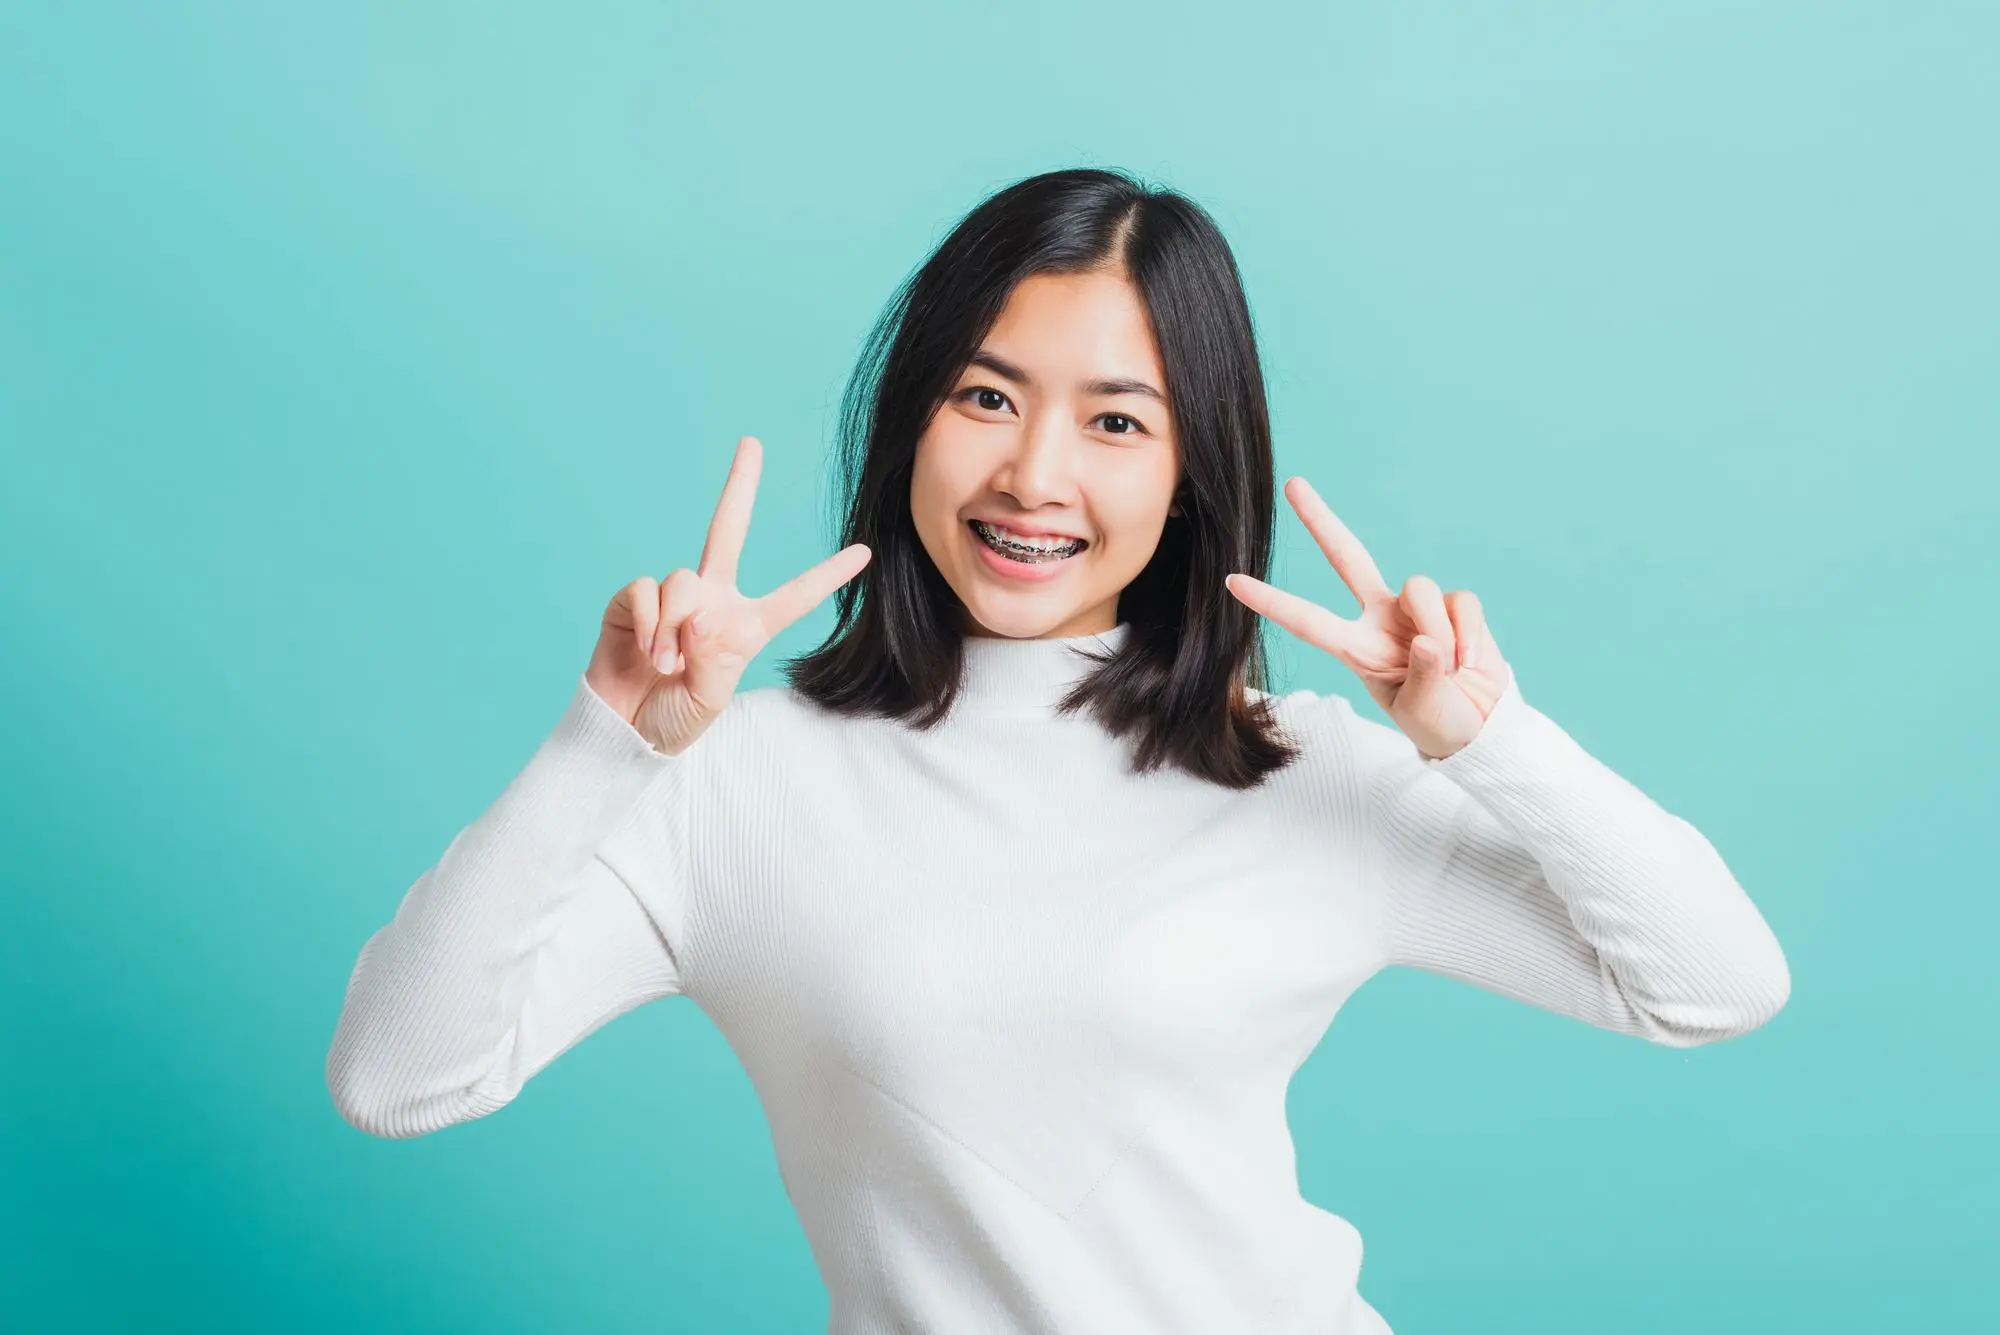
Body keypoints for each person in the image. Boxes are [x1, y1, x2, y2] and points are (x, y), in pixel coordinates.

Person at [326, 167, 1790, 1334]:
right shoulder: (736, 780)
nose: (1034, 473)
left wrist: (1493, 742)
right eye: (986, 396)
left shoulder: (1298, 768)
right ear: (913, 421)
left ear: (1191, 472)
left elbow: (1715, 984)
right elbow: (399, 1074)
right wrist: (608, 743)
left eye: (1115, 420)